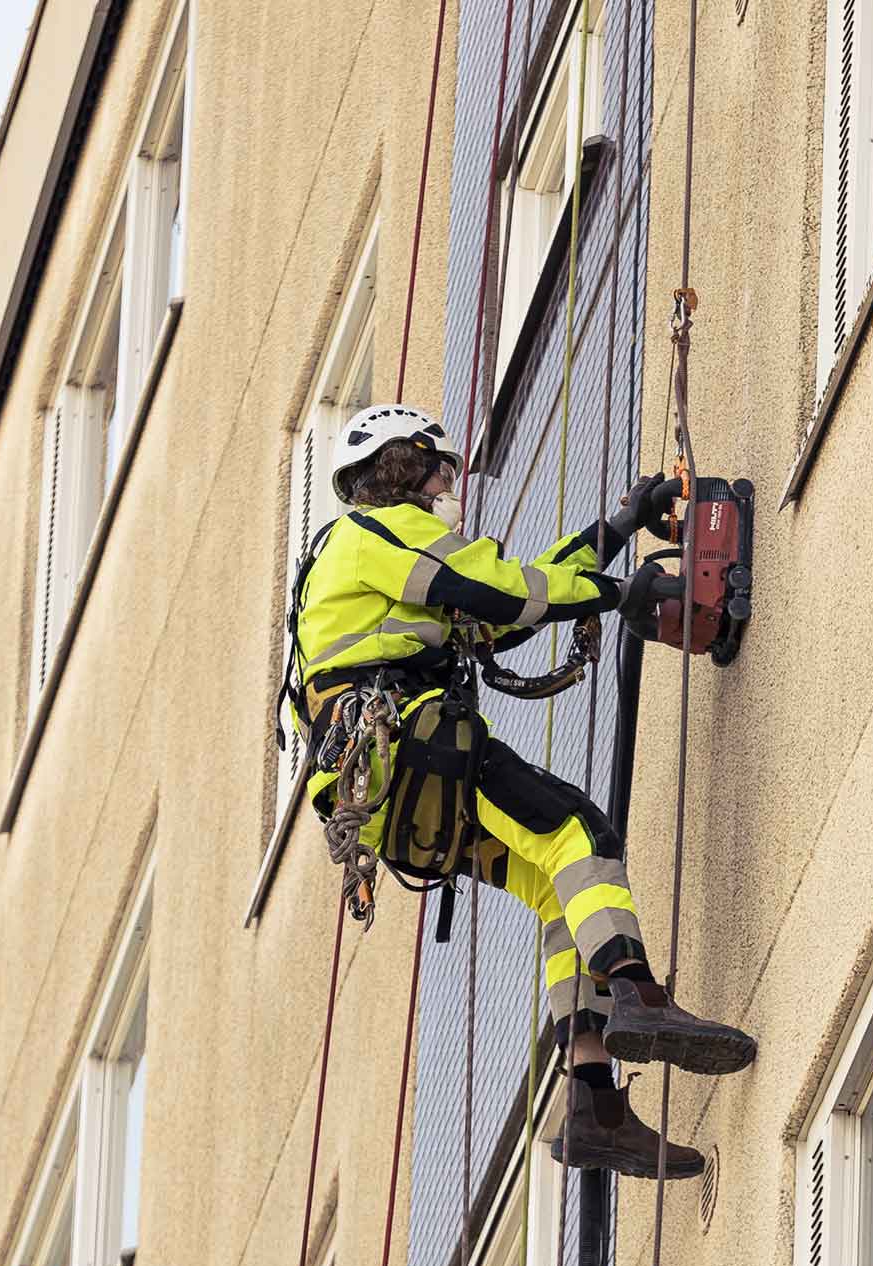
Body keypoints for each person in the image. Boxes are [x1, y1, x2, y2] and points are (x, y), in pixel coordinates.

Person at [280, 402, 757, 1181]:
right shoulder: (377, 532)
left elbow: (502, 616)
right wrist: (618, 594)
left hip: (378, 797)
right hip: (407, 741)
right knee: (583, 833)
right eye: (438, 467)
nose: (447, 486)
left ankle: (594, 1103)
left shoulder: (368, 561)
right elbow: (502, 595)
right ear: (403, 464)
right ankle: (637, 991)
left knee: (555, 888)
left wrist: (616, 529)